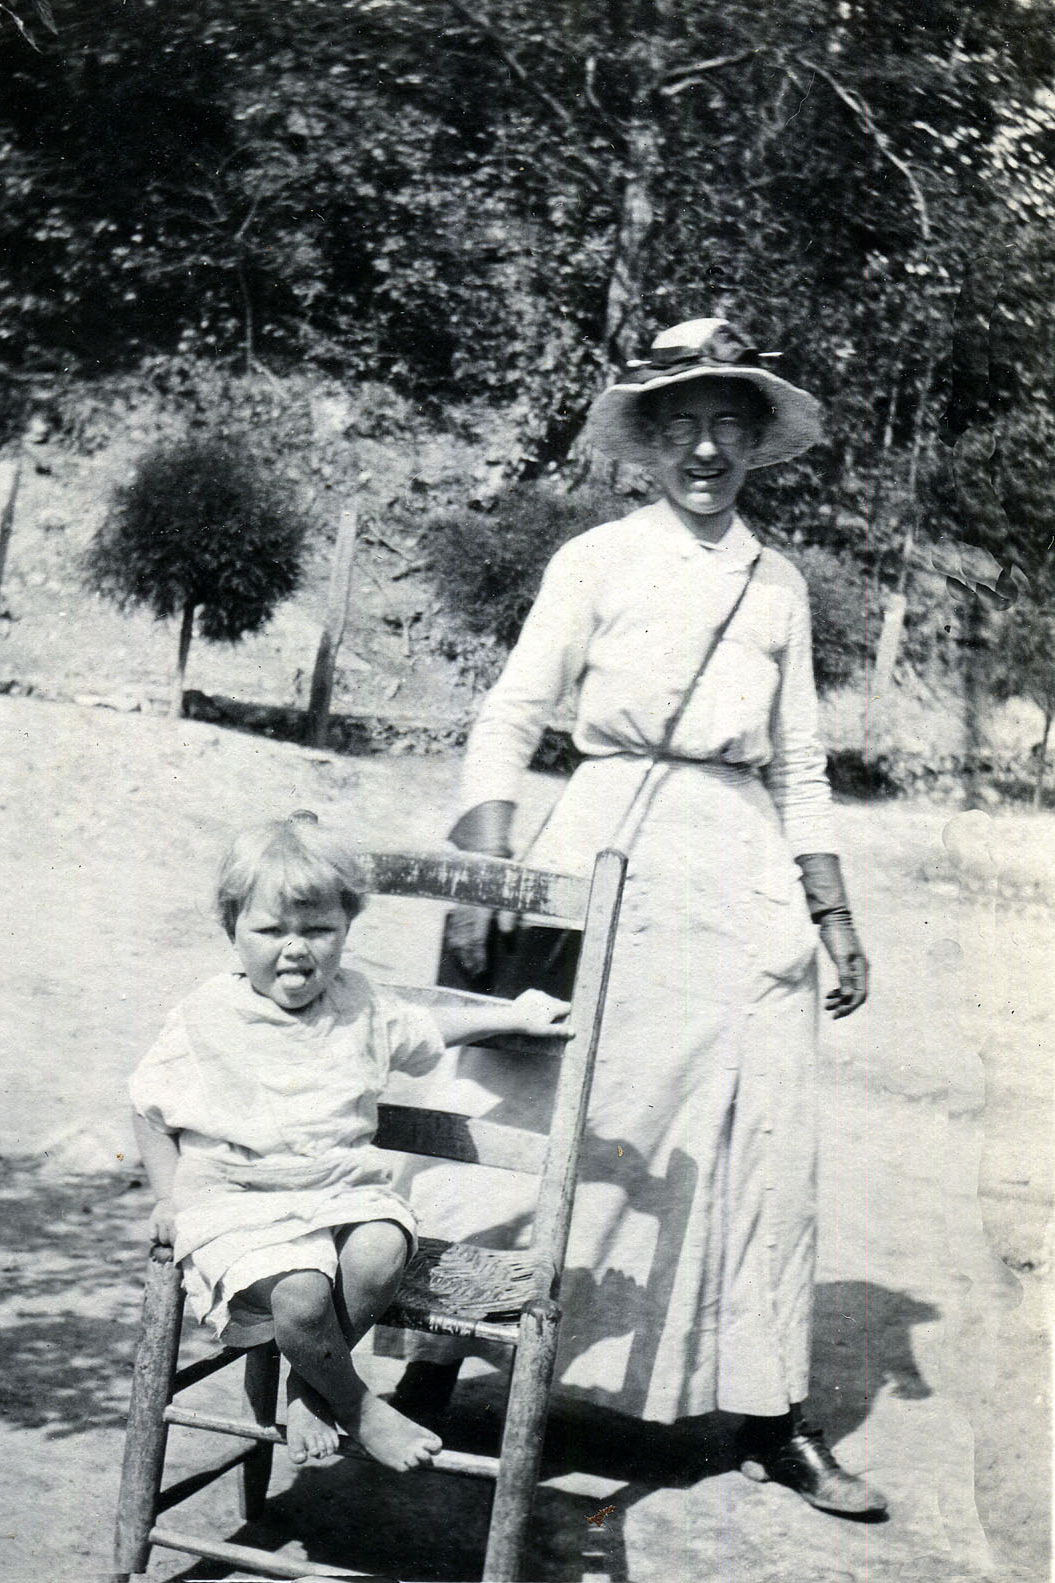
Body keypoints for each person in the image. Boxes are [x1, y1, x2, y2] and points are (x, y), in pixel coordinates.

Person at [395, 318, 886, 1518]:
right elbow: (512, 713)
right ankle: (435, 1361)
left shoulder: (778, 584)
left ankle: (770, 1415)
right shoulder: (597, 560)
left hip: (741, 873)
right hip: (603, 844)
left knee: (760, 1132)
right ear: (650, 441)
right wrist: (490, 872)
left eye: (729, 425)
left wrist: (831, 910)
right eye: (683, 426)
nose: (706, 449)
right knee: (533, 1100)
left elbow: (801, 762)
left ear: (757, 442)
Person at [130, 811, 571, 1473]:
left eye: (318, 931)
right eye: (270, 931)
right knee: (302, 1294)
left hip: (341, 1197)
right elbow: (147, 1107)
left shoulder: (360, 1004)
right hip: (238, 1205)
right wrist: (168, 1196)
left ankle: (311, 1386)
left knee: (383, 1244)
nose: (295, 949)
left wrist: (514, 1013)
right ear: (232, 928)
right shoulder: (206, 1016)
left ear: (347, 927)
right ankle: (360, 1406)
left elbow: (429, 1030)